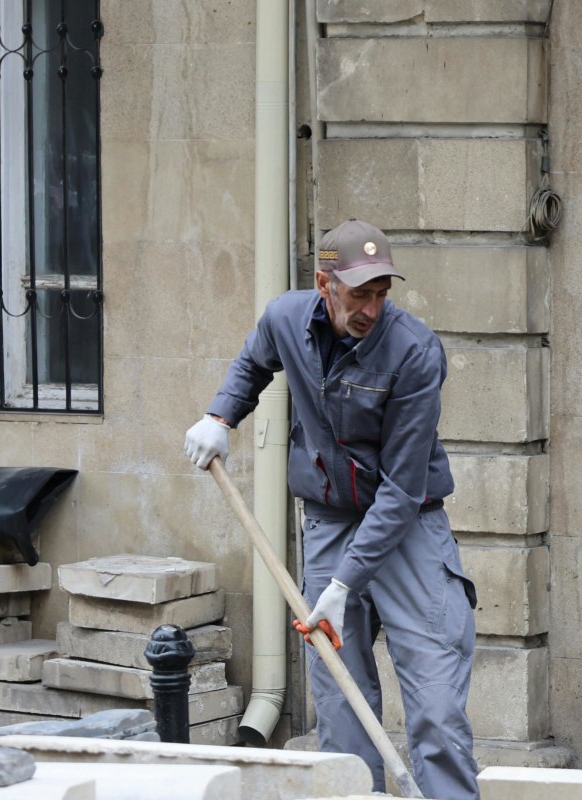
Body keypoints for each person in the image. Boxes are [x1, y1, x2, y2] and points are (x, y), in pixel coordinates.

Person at [183, 219, 479, 799]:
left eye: (380, 293)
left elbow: (400, 490)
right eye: (358, 293)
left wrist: (343, 585)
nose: (370, 307)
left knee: (437, 701)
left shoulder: (414, 352)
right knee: (341, 702)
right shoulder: (286, 319)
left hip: (407, 527)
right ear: (324, 284)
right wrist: (220, 417)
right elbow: (253, 362)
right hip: (330, 520)